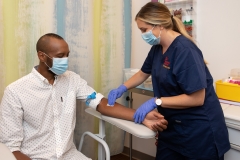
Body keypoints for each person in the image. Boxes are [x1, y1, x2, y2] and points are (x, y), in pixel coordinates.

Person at [0, 33, 168, 160]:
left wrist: (141, 115)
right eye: (60, 56)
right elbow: (11, 147)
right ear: (42, 56)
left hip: (69, 155)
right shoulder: (16, 91)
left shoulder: (71, 80)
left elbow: (100, 104)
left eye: (67, 55)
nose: (65, 60)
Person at [107, 2, 230, 160]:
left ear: (158, 25)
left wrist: (156, 102)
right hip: (172, 127)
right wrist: (122, 88)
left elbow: (197, 98)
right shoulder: (157, 48)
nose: (143, 34)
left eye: (144, 30)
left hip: (199, 131)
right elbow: (143, 73)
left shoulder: (185, 51)